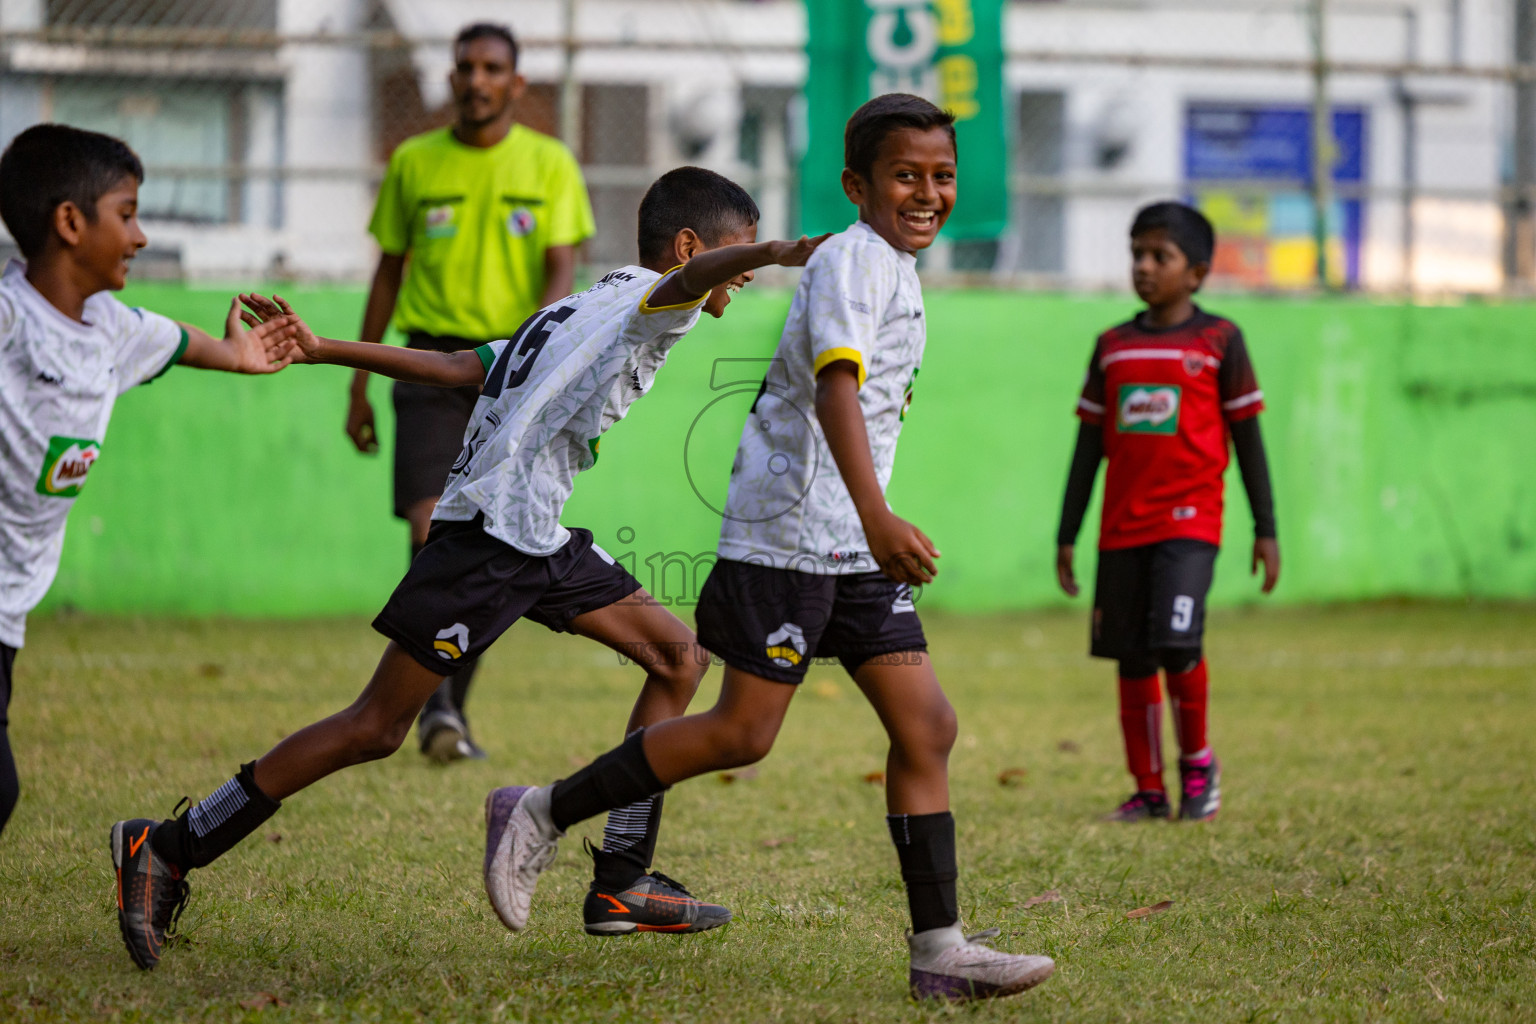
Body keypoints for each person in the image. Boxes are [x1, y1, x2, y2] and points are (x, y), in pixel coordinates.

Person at [109, 166, 828, 971]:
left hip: (533, 531)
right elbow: (691, 279)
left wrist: (323, 350)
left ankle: (621, 881)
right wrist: (781, 249)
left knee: (677, 657)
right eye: (738, 258)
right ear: (693, 250)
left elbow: (461, 367)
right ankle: (169, 845)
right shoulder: (665, 297)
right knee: (375, 727)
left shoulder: (581, 301)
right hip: (492, 536)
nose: (748, 276)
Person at [477, 94, 1055, 1004]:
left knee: (926, 726)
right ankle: (542, 809)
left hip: (848, 546)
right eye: (907, 175)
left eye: (942, 177)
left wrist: (866, 527)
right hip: (788, 536)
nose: (929, 193)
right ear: (856, 186)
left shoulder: (897, 269)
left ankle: (940, 950)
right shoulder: (853, 264)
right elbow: (836, 389)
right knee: (743, 733)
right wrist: (877, 517)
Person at [0, 124, 295, 838]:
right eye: (127, 213)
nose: (139, 236)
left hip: (9, 603)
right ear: (70, 222)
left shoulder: (109, 326)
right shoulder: (10, 320)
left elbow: (176, 340)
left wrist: (235, 352)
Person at [350, 21, 596, 763]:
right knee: (431, 531)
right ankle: (437, 709)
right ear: (451, 78)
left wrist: (541, 356)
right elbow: (387, 272)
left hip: (512, 367)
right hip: (428, 363)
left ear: (516, 84)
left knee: (490, 537)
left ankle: (444, 705)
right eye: (466, 66)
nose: (477, 79)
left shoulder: (550, 163)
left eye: (493, 67)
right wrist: (360, 383)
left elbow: (563, 269)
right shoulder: (414, 163)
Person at [1054, 200, 1280, 823]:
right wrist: (1067, 533)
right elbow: (1088, 447)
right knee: (1131, 656)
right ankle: (1148, 789)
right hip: (1121, 527)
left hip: (1190, 523)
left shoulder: (1220, 341)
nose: (1145, 267)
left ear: (1198, 272)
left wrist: (1267, 529)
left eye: (1161, 256)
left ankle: (1199, 764)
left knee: (1177, 643)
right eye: (1137, 255)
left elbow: (1249, 440)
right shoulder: (1113, 346)